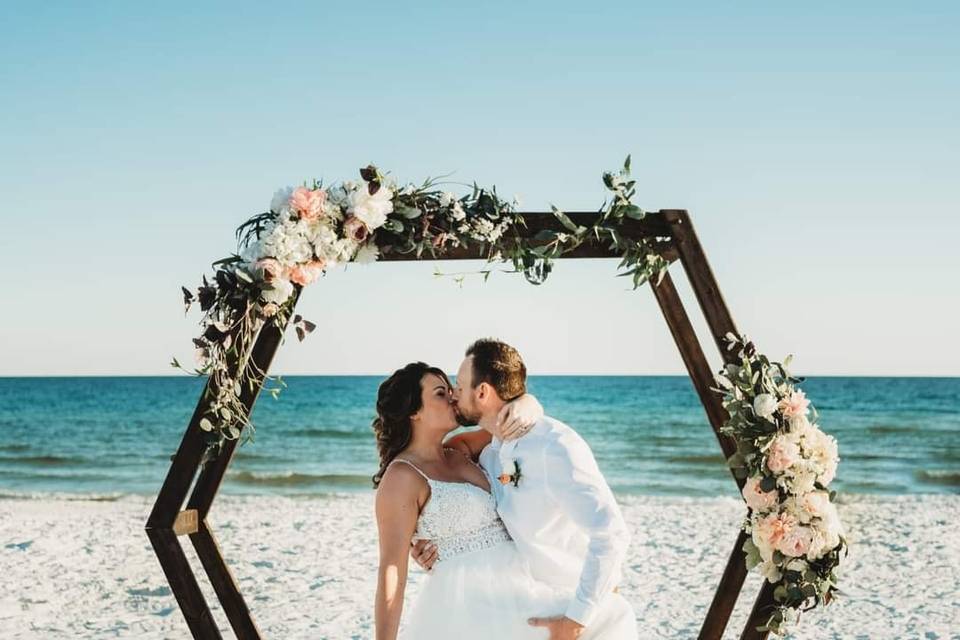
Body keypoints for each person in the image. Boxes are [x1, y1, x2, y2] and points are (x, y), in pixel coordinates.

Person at [411, 339, 638, 639]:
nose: (454, 394)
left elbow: (611, 533)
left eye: (460, 386)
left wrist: (576, 620)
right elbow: (441, 468)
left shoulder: (553, 446)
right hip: (531, 607)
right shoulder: (491, 455)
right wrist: (439, 541)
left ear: (482, 392)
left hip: (581, 615)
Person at [372, 361, 568, 640]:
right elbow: (392, 569)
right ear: (414, 411)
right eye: (441, 393)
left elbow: (512, 422)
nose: (453, 396)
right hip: (465, 606)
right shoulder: (402, 477)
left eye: (452, 389)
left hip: (520, 586)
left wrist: (528, 401)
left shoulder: (460, 450)